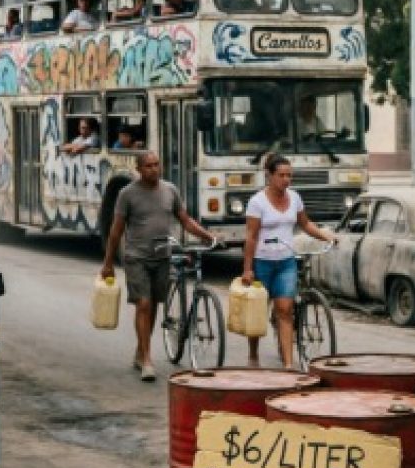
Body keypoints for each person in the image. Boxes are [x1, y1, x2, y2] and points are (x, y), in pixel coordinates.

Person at [99, 152, 221, 381]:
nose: (154, 169)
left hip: (163, 256)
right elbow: (116, 230)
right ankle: (147, 360)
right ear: (138, 169)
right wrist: (108, 262)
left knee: (154, 304)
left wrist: (208, 236)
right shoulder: (127, 194)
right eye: (149, 166)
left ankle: (140, 351)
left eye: (157, 165)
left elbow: (185, 220)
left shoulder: (170, 190)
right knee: (143, 304)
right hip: (136, 257)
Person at [238, 156, 337, 368]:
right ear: (269, 175)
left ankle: (288, 365)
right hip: (262, 262)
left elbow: (305, 223)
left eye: (289, 175)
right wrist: (247, 269)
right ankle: (253, 354)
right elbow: (251, 236)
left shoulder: (295, 198)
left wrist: (325, 236)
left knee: (285, 310)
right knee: (258, 312)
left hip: (286, 261)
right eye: (281, 175)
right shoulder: (257, 202)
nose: (286, 180)